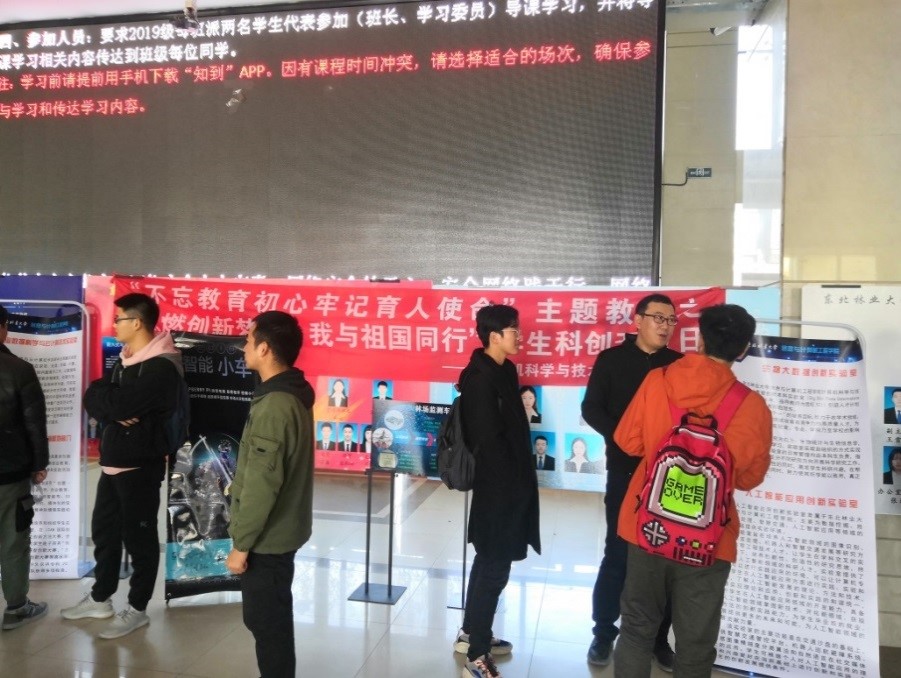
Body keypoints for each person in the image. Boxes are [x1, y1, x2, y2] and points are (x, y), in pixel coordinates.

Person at [612, 303, 772, 677]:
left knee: (636, 628)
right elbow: (749, 478)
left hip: (646, 525)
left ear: (699, 340)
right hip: (710, 538)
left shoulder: (658, 380)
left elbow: (627, 440)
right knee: (696, 644)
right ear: (743, 349)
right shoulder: (753, 406)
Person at [63, 293, 182, 638]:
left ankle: (138, 608)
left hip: (140, 465)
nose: (114, 325)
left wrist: (111, 405)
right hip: (114, 461)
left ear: (137, 322)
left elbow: (116, 403)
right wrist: (110, 404)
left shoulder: (161, 367)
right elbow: (95, 394)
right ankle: (101, 598)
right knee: (104, 531)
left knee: (139, 538)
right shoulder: (126, 359)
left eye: (119, 319)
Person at [581, 293, 682, 669]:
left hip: (668, 475)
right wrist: (624, 438)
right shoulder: (611, 360)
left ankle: (658, 639)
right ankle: (603, 632)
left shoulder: (679, 365)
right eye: (658, 318)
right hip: (625, 471)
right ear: (638, 321)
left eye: (671, 320)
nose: (665, 326)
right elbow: (591, 408)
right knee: (618, 552)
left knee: (665, 557)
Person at [225, 311, 315, 678]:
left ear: (264, 348)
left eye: (248, 340)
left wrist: (241, 544)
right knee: (271, 620)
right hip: (279, 532)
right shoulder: (287, 393)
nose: (244, 346)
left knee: (267, 625)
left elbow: (263, 485)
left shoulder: (276, 405)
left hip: (268, 539)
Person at [454, 304, 540, 678]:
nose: (520, 336)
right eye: (514, 330)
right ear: (494, 336)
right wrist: (512, 489)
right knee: (494, 566)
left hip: (512, 485)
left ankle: (470, 632)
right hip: (498, 490)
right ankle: (477, 655)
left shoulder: (505, 369)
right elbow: (487, 444)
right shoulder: (479, 379)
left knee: (488, 559)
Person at [0, 304, 50, 630]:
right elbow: (34, 424)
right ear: (4, 327)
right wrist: (39, 464)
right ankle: (16, 608)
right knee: (13, 539)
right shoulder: (19, 370)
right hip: (9, 474)